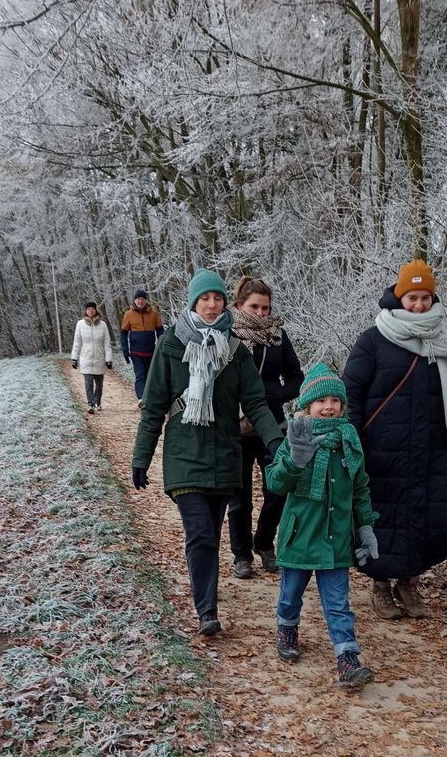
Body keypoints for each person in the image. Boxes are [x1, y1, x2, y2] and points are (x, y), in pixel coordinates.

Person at [130, 268, 284, 636]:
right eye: (205, 298)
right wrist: (141, 457)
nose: (212, 304)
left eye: (217, 297)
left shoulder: (235, 350)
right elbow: (153, 408)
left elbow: (257, 404)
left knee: (211, 534)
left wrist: (276, 440)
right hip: (184, 454)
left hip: (225, 455)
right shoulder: (171, 345)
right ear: (193, 302)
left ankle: (207, 595)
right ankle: (207, 611)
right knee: (199, 533)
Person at [342, 259, 447, 620]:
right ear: (399, 297)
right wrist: (352, 441)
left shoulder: (443, 342)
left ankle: (408, 582)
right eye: (412, 297)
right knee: (382, 516)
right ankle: (381, 586)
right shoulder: (374, 339)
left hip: (430, 449)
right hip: (381, 451)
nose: (418, 305)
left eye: (424, 298)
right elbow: (351, 391)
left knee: (426, 515)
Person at [265, 363, 379, 689]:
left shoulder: (349, 441)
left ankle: (347, 659)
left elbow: (359, 488)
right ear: (307, 406)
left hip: (335, 539)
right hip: (299, 535)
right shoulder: (296, 437)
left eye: (334, 400)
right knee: (290, 594)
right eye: (320, 401)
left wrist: (366, 527)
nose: (328, 406)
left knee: (339, 603)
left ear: (342, 405)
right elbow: (275, 483)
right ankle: (287, 628)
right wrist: (294, 460)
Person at [228, 276, 304, 579]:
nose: (261, 313)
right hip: (236, 425)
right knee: (239, 494)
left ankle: (264, 542)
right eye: (255, 307)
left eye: (266, 307)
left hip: (273, 423)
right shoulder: (228, 335)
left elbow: (296, 377)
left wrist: (276, 394)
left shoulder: (278, 336)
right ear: (239, 305)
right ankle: (241, 555)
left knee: (279, 488)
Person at [120, 289, 164, 399]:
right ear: (134, 301)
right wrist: (125, 350)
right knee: (140, 375)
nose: (140, 301)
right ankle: (141, 398)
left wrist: (161, 346)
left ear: (146, 301)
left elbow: (160, 331)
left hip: (151, 351)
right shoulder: (128, 314)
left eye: (142, 299)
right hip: (136, 352)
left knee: (150, 376)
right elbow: (123, 333)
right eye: (138, 299)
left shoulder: (153, 314)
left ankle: (149, 397)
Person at [71, 301, 113, 413]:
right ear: (85, 311)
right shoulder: (80, 324)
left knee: (99, 384)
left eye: (93, 309)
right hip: (86, 358)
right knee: (88, 383)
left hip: (99, 358)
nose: (91, 311)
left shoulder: (103, 325)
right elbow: (77, 342)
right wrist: (74, 358)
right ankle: (91, 404)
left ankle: (97, 402)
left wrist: (109, 359)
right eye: (88, 309)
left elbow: (107, 343)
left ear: (96, 310)